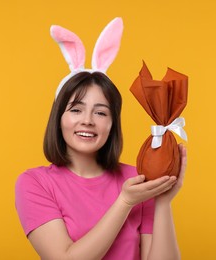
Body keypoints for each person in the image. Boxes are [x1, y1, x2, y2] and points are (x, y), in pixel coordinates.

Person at [15, 17, 187, 260]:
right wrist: (125, 201)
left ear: (112, 123)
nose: (88, 120)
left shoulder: (137, 179)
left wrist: (163, 202)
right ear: (58, 118)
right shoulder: (35, 183)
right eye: (76, 109)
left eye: (101, 112)